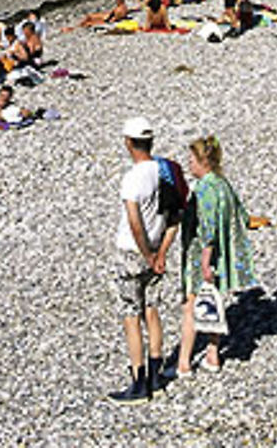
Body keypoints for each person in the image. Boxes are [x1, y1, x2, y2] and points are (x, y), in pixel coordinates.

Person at [170, 134, 256, 378]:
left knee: (191, 307)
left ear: (202, 161)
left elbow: (208, 229)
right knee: (213, 303)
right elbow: (243, 216)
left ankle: (184, 363)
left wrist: (205, 260)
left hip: (202, 256)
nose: (189, 164)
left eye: (191, 159)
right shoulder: (223, 184)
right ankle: (212, 355)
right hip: (222, 256)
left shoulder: (205, 187)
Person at [106, 117, 178, 404]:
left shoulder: (132, 178)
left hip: (131, 252)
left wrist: (147, 253)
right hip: (158, 248)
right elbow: (175, 216)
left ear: (128, 142)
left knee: (131, 315)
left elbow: (134, 221)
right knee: (152, 309)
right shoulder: (166, 171)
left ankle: (138, 382)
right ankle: (156, 373)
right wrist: (160, 253)